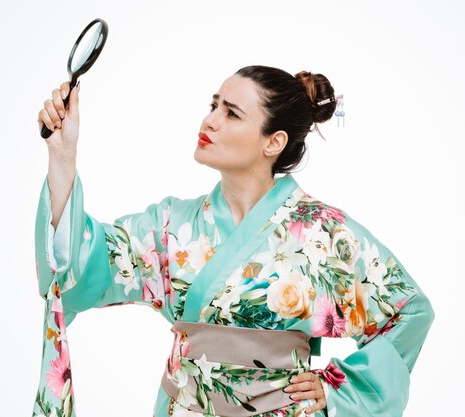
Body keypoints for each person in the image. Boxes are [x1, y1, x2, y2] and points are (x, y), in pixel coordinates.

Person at [32, 65, 435, 417]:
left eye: (232, 113)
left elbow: (408, 311)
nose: (210, 121)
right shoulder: (171, 224)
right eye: (213, 105)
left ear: (273, 142)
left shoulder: (323, 232)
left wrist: (338, 386)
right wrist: (63, 155)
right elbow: (83, 264)